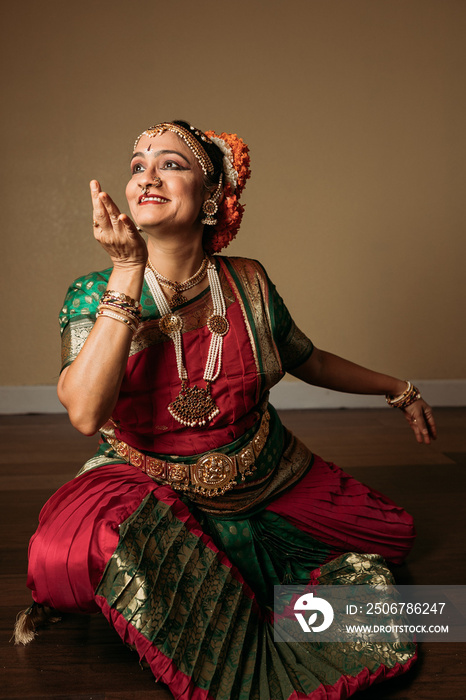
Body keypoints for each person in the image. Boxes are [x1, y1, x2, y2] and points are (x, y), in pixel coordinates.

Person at [15, 121, 437, 699]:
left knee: (393, 535)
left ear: (212, 196)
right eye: (138, 165)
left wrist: (399, 389)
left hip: (262, 471)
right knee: (62, 551)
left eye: (171, 163)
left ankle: (209, 568)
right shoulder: (96, 290)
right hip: (149, 476)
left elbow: (306, 358)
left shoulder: (248, 281)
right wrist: (127, 269)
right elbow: (86, 414)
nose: (147, 176)